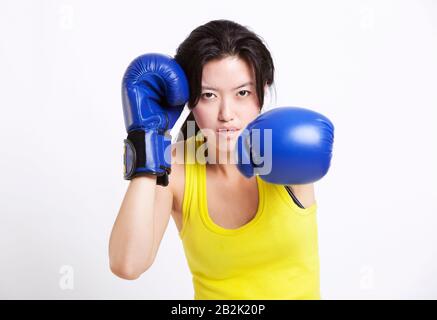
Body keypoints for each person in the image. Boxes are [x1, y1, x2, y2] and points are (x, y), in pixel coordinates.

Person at [109, 19, 334, 300]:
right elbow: (127, 264)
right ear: (188, 100)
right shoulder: (176, 166)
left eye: (242, 92)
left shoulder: (285, 146)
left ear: (262, 91)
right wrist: (147, 140)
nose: (226, 113)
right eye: (209, 95)